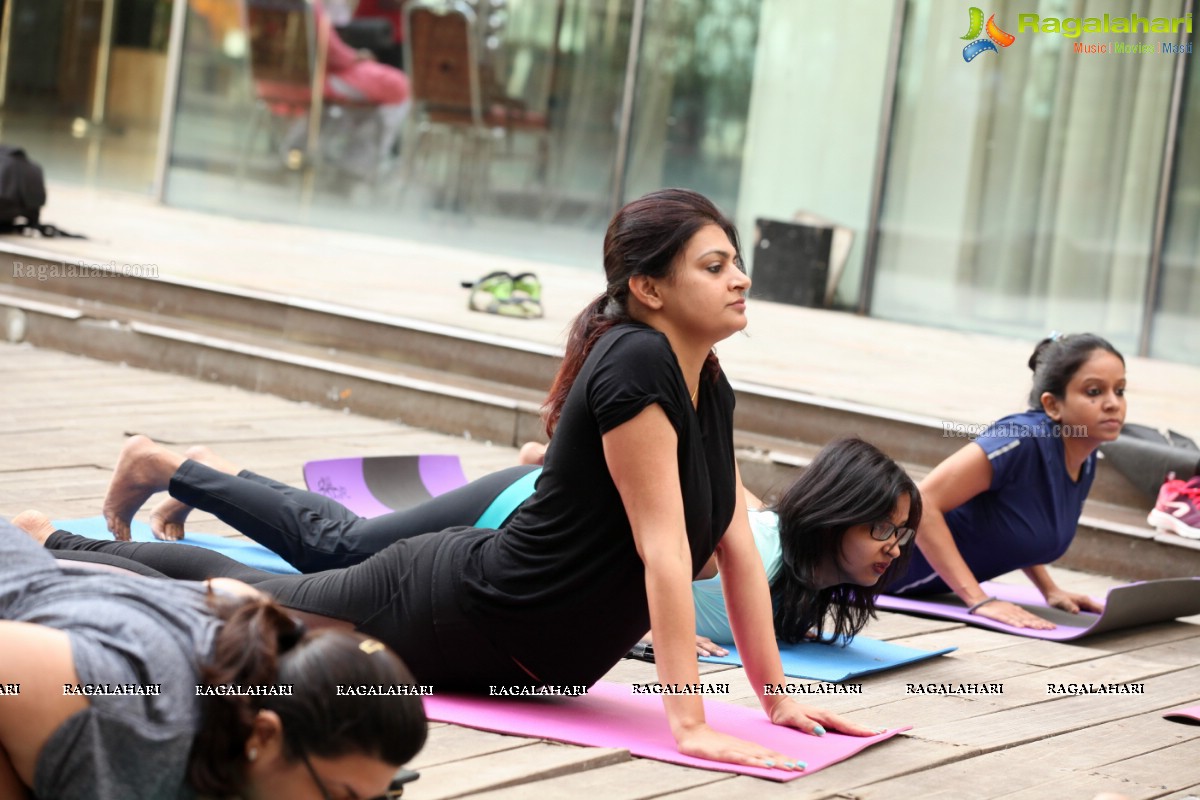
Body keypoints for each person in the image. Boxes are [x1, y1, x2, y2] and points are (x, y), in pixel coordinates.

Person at [41, 189, 877, 771]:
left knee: (267, 591)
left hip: (522, 646)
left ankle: (92, 530)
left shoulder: (709, 383)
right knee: (249, 603)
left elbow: (731, 543)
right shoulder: (636, 364)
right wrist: (689, 724)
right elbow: (665, 553)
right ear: (650, 288)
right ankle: (62, 549)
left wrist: (775, 701)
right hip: (464, 611)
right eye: (715, 265)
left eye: (736, 262)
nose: (742, 278)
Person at [142, 437, 918, 657]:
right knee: (339, 551)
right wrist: (651, 632)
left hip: (547, 505)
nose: (892, 546)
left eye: (902, 533)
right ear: (835, 515)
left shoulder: (807, 573)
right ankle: (170, 467)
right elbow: (661, 543)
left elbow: (734, 497)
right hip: (531, 520)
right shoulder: (767, 555)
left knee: (341, 548)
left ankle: (205, 483)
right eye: (879, 528)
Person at [0, 518, 426, 800]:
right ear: (262, 736)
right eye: (339, 797)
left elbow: (233, 591)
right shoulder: (123, 706)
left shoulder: (259, 638)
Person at [889, 333, 1127, 630]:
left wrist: (1049, 590)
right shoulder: (1020, 438)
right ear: (1052, 405)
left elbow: (1018, 522)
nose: (1112, 403)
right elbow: (922, 502)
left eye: (1119, 390)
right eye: (1094, 391)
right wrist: (978, 599)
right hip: (879, 570)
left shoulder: (1085, 457)